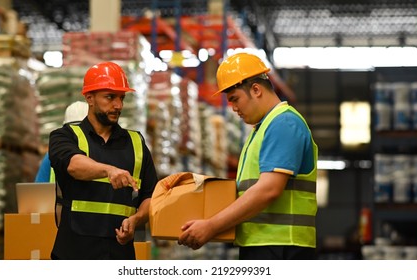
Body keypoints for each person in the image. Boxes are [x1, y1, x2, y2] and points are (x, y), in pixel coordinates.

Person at [178, 52, 318, 260]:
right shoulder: (261, 129)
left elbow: (268, 190)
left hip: (281, 246)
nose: (233, 108)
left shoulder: (283, 123)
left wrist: (212, 225)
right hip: (265, 244)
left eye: (235, 99)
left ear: (256, 90)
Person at [48, 61, 158, 260]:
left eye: (121, 98)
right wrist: (109, 171)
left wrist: (136, 220)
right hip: (74, 255)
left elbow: (151, 195)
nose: (118, 105)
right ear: (89, 98)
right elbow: (73, 165)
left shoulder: (136, 143)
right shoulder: (64, 136)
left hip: (119, 255)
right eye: (110, 97)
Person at [35, 101, 89, 183]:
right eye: (73, 129)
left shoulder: (101, 152)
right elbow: (38, 190)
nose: (77, 134)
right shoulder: (51, 155)